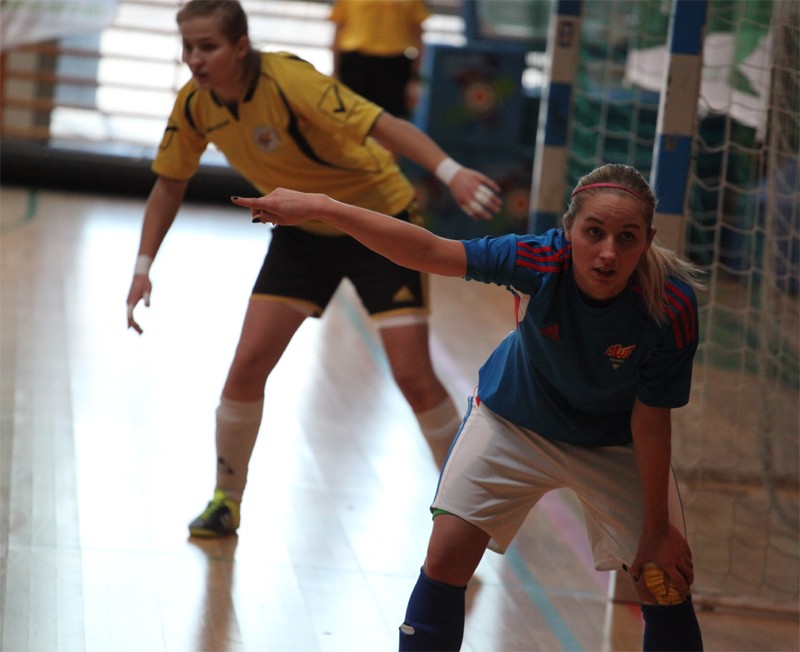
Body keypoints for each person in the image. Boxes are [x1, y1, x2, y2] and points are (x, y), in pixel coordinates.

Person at [232, 163, 706, 651]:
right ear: (569, 232)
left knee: (663, 580)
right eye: (594, 232)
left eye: (626, 238)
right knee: (446, 557)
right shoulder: (540, 261)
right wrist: (323, 207)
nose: (608, 252)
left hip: (615, 440)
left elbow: (652, 417)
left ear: (647, 241)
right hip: (514, 423)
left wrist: (657, 530)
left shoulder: (671, 306)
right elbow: (429, 251)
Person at [125, 0, 502, 539]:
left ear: (240, 47)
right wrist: (143, 266)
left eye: (208, 47)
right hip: (302, 232)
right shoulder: (194, 104)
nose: (195, 59)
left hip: (377, 222)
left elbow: (382, 122)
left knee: (414, 378)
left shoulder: (289, 81)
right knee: (247, 366)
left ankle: (469, 512)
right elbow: (169, 184)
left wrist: (451, 171)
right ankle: (226, 501)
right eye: (188, 47)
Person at [330, 0, 429, 119]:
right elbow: (338, 29)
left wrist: (415, 77)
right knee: (349, 115)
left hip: (394, 65)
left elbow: (418, 36)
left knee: (390, 117)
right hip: (355, 63)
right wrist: (335, 71)